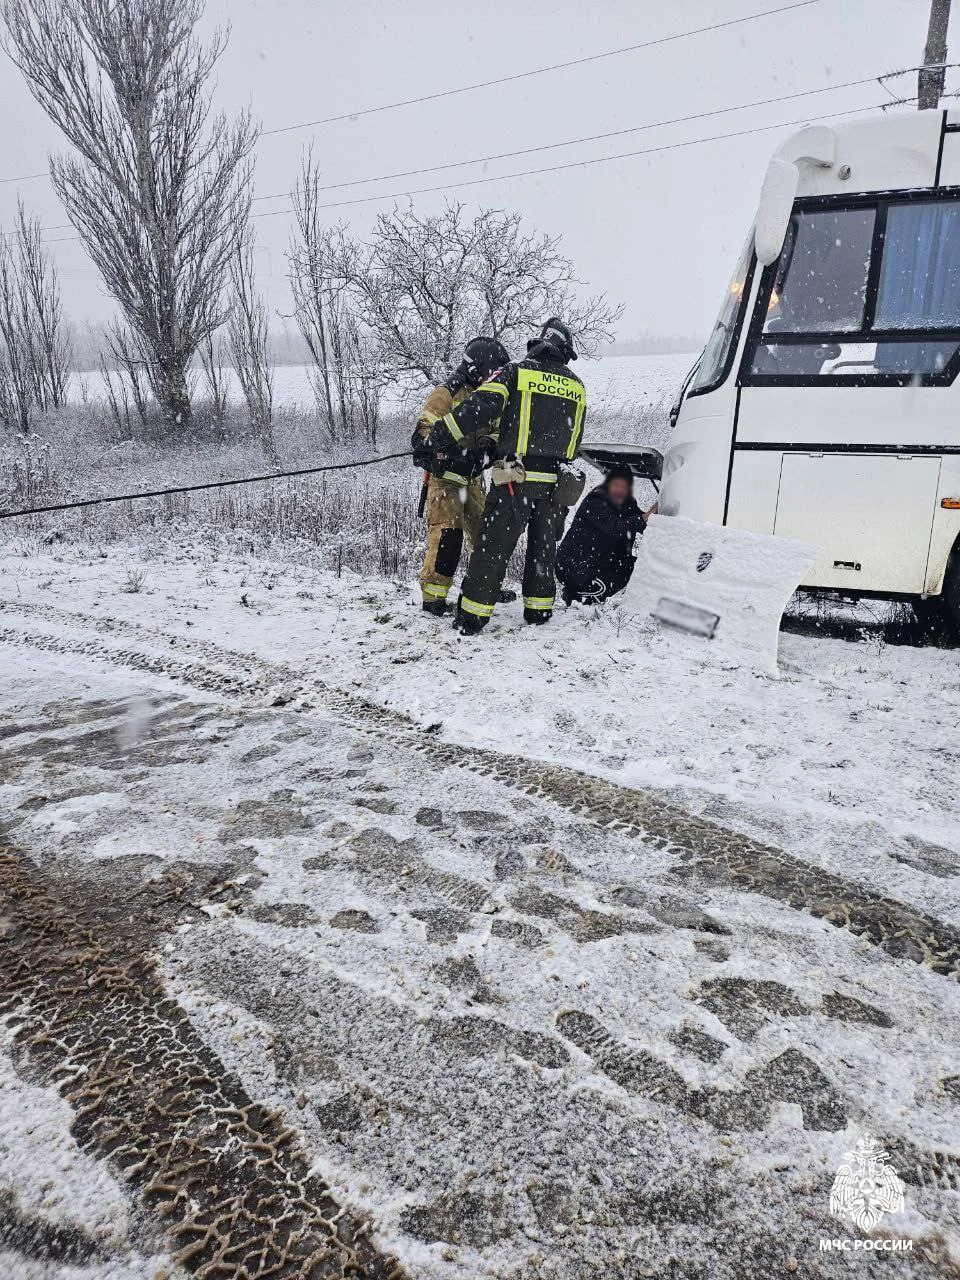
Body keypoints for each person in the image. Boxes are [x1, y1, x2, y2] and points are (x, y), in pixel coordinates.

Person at [425, 317, 587, 634]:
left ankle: (472, 617)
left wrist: (440, 434)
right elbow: (575, 439)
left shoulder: (515, 371)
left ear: (539, 343)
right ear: (564, 350)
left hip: (513, 473)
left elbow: (481, 406)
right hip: (556, 481)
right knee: (544, 549)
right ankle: (538, 611)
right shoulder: (577, 386)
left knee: (493, 547)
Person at [412, 337, 510, 615]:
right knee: (447, 536)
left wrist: (488, 445)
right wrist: (451, 448)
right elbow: (423, 435)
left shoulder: (488, 396)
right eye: (492, 371)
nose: (494, 377)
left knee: (485, 534)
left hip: (473, 478)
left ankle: (482, 587)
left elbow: (498, 430)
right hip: (445, 479)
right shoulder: (446, 394)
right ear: (478, 367)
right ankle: (433, 597)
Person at [556, 465, 644, 605]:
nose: (620, 490)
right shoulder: (596, 500)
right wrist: (643, 519)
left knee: (636, 565)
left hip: (596, 562)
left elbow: (642, 522)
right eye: (616, 484)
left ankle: (586, 594)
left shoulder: (626, 503)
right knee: (623, 567)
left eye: (624, 486)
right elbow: (615, 527)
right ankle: (579, 595)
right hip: (574, 566)